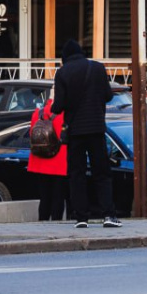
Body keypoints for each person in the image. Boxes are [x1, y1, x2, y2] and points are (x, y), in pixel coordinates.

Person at [51, 39, 117, 228]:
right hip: (96, 129)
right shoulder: (97, 68)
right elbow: (108, 96)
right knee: (102, 173)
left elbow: (59, 105)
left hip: (75, 132)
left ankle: (81, 217)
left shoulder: (63, 73)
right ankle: (108, 215)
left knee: (76, 174)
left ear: (65, 57)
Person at [28, 89, 67, 221]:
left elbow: (31, 134)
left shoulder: (37, 113)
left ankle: (42, 222)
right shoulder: (64, 113)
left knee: (44, 197)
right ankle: (56, 224)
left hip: (40, 160)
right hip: (59, 161)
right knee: (58, 197)